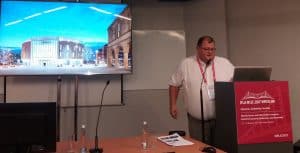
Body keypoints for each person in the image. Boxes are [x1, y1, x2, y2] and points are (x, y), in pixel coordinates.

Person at [168, 35, 234, 145]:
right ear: (198, 49)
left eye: (212, 49)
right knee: (200, 148)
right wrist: (173, 104)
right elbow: (174, 84)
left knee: (221, 148)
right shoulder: (186, 64)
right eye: (206, 49)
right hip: (197, 122)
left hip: (221, 120)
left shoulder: (224, 63)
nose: (210, 52)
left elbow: (238, 80)